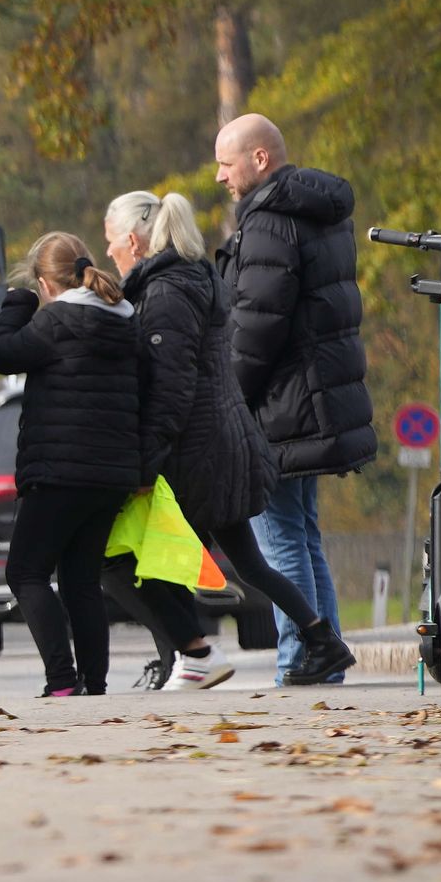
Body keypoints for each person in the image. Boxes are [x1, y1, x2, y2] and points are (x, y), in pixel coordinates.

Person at [107, 185, 312, 689]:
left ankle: (191, 656)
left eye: (111, 240)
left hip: (194, 453)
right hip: (215, 444)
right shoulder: (187, 280)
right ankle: (320, 637)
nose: (107, 250)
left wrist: (145, 464)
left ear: (133, 241)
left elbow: (171, 389)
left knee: (148, 564)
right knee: (241, 563)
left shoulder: (166, 292)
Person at [213, 112, 375, 682]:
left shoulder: (268, 221)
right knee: (303, 535)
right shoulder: (317, 211)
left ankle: (300, 657)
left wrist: (228, 402)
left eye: (226, 163)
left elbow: (256, 328)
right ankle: (324, 658)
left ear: (260, 159)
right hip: (315, 402)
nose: (219, 177)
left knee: (280, 537)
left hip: (281, 407)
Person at [0, 231, 150, 698]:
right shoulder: (125, 320)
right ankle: (93, 683)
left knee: (25, 572)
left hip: (59, 472)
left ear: (45, 283)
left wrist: (15, 303)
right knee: (81, 581)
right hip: (111, 474)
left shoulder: (55, 322)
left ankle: (62, 680)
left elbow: (0, 352)